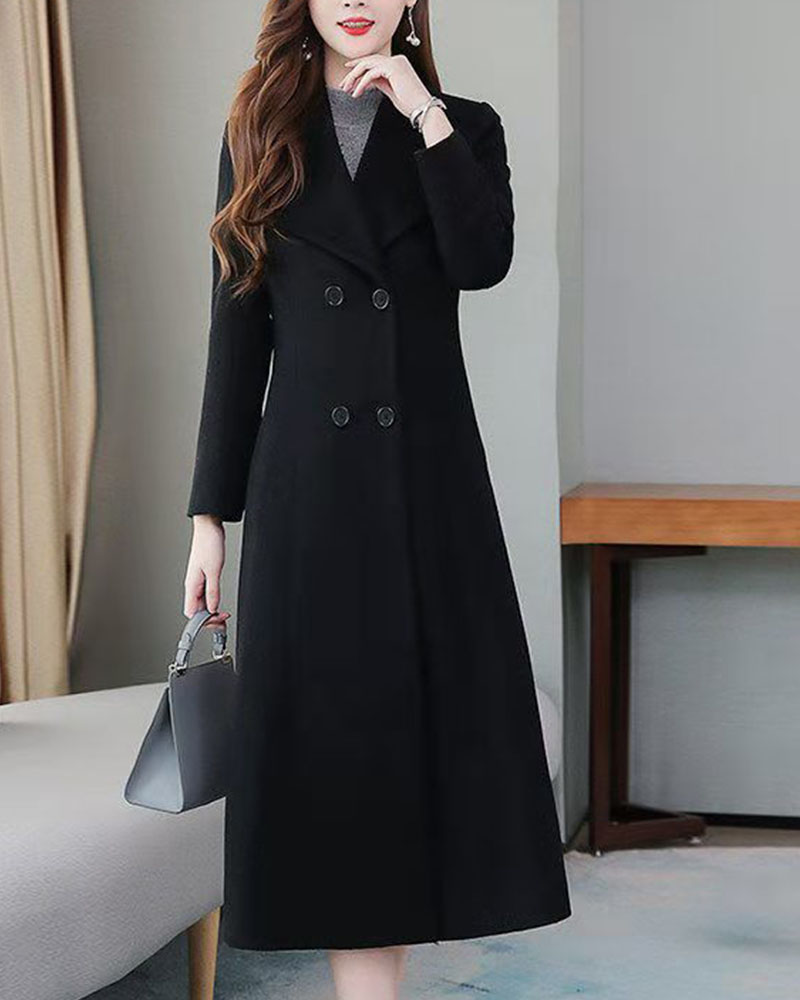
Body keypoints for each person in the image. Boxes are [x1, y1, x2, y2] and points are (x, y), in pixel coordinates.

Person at [183, 1, 572, 997]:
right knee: (338, 751)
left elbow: (481, 262)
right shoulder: (259, 131)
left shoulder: (464, 125)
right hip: (309, 490)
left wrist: (420, 110)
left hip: (425, 490)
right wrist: (209, 518)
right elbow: (238, 331)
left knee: (405, 748)